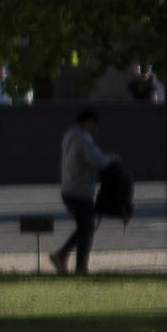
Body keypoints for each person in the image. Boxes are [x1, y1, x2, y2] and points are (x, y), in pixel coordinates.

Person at [50, 104, 107, 274]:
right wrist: (112, 159)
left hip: (68, 189)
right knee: (87, 227)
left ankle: (78, 264)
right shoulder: (83, 138)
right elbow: (97, 160)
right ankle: (67, 257)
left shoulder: (69, 136)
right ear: (87, 122)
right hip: (80, 190)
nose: (96, 127)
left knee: (85, 226)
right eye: (94, 123)